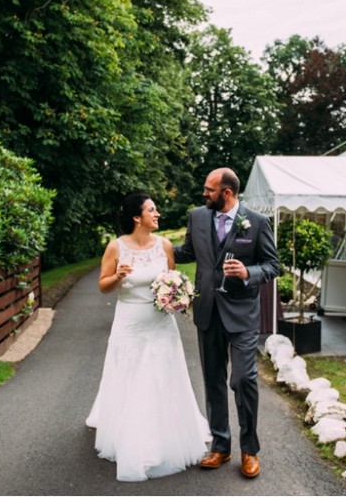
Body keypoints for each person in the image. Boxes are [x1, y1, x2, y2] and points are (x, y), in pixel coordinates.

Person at [86, 193, 211, 482]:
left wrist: (178, 296)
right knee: (131, 378)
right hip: (130, 325)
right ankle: (132, 437)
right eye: (151, 210)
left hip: (161, 325)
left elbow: (171, 280)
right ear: (136, 217)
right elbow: (103, 287)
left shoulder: (165, 245)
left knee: (161, 377)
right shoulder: (115, 247)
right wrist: (118, 276)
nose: (158, 214)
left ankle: (166, 433)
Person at [174, 168, 281, 478]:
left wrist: (249, 274)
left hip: (243, 314)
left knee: (244, 379)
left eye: (209, 189)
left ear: (227, 193)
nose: (204, 194)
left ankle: (250, 450)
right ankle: (221, 446)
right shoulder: (197, 217)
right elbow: (187, 252)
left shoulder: (258, 223)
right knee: (213, 380)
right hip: (208, 311)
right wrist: (152, 248)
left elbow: (272, 265)